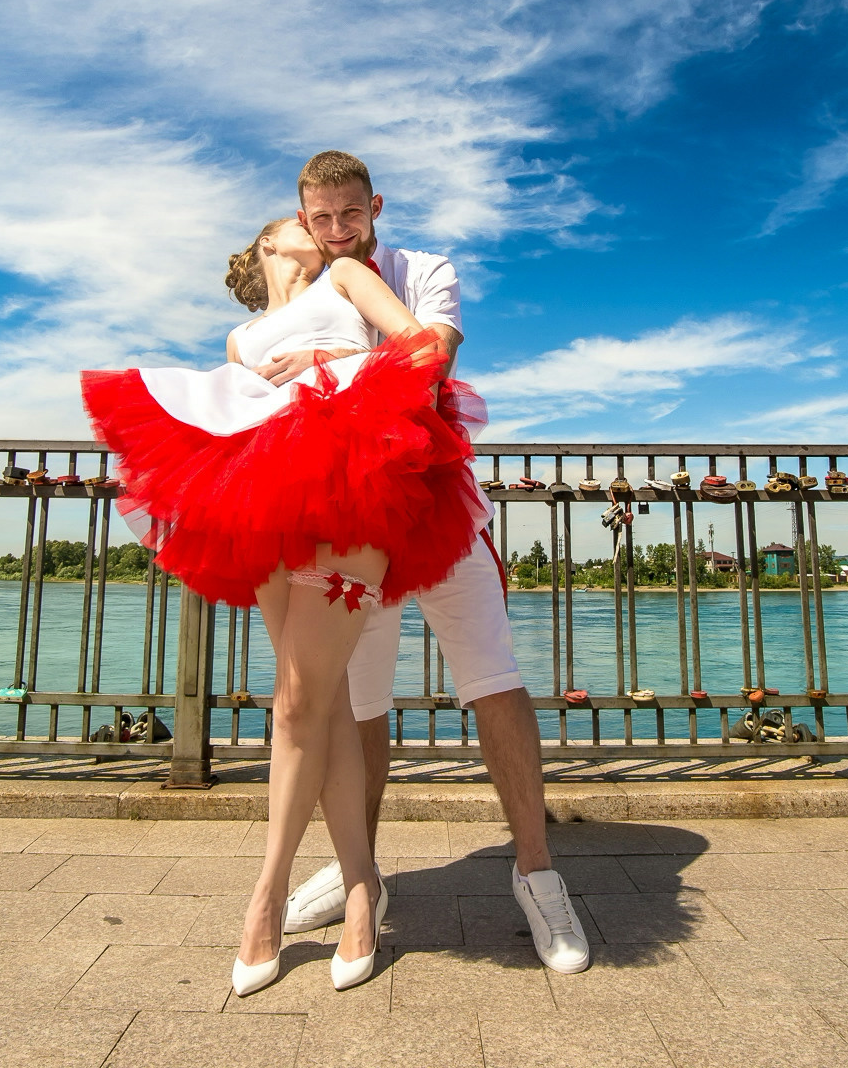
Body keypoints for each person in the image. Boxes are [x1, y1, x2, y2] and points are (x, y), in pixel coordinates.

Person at [80, 216, 486, 996]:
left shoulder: (346, 278)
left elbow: (423, 349)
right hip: (263, 499)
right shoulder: (239, 339)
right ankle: (362, 889)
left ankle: (265, 896)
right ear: (268, 246)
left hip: (352, 483)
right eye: (295, 222)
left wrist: (333, 356)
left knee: (297, 704)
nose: (315, 227)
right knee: (316, 696)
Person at [257, 151, 589, 976]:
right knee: (355, 704)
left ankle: (537, 873)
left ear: (374, 206)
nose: (336, 230)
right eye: (320, 218)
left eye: (348, 215)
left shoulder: (423, 269)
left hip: (436, 509)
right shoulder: (303, 295)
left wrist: (331, 368)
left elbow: (429, 357)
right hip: (345, 523)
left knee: (492, 679)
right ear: (303, 220)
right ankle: (360, 871)